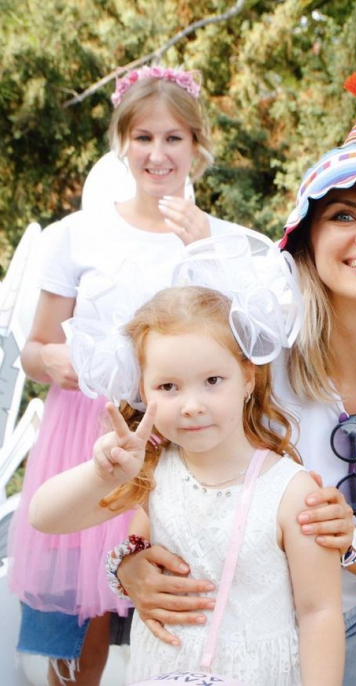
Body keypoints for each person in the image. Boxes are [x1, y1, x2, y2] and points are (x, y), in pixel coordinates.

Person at [107, 73, 356, 686]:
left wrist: (352, 542)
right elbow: (173, 487)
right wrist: (128, 564)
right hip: (235, 616)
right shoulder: (254, 355)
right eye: (343, 215)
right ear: (306, 243)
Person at [7, 65, 247, 685]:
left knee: (174, 597)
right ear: (123, 143)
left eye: (173, 138)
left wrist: (206, 253)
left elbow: (240, 348)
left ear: (197, 146)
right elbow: (33, 347)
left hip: (183, 437)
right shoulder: (77, 235)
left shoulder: (219, 240)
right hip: (91, 432)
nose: (158, 153)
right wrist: (52, 361)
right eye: (143, 137)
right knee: (83, 614)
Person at [28, 284, 344, 685]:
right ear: (142, 391)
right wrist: (100, 475)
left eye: (212, 380)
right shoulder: (153, 472)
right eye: (168, 387)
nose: (192, 404)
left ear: (248, 376)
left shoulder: (292, 491)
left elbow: (320, 612)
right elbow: (44, 517)